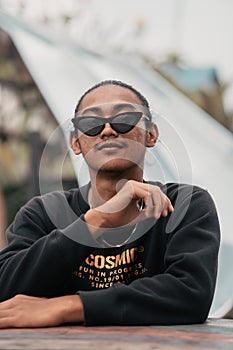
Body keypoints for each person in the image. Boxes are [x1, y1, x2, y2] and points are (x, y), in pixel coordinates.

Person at [0, 80, 220, 328]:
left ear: (151, 134)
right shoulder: (43, 213)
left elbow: (191, 293)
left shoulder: (184, 206)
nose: (107, 130)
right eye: (91, 123)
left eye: (124, 118)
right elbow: (6, 288)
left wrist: (67, 307)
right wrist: (97, 220)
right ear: (75, 143)